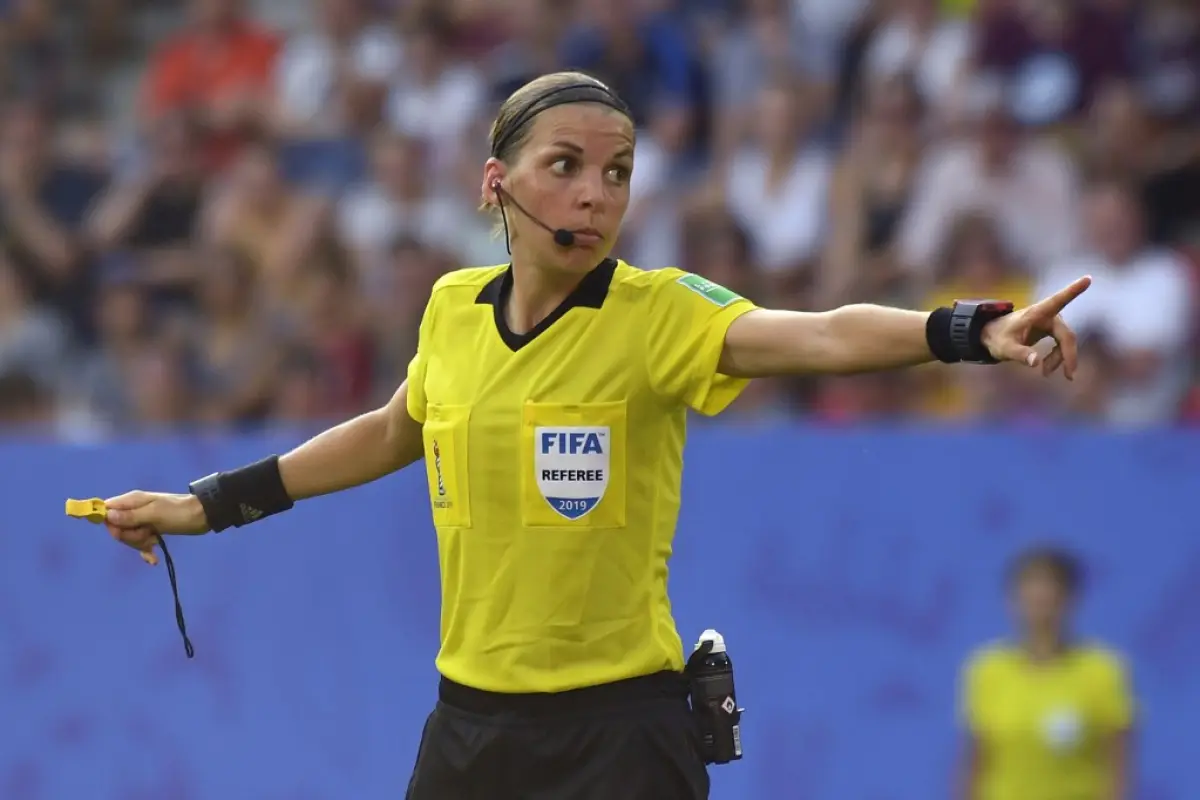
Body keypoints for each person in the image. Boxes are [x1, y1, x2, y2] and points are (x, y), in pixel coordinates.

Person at [98, 72, 1092, 800]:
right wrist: (209, 502)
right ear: (496, 183)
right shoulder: (451, 306)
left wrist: (970, 329)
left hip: (621, 738)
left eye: (616, 172)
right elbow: (395, 427)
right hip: (469, 730)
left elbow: (820, 332)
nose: (596, 193)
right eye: (564, 166)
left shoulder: (658, 314)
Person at [958, 547, 1134, 800]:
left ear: (1070, 599)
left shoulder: (1102, 670)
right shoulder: (987, 670)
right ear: (1013, 600)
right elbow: (973, 764)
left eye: (1050, 589)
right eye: (1030, 589)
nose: (1040, 600)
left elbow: (1119, 770)